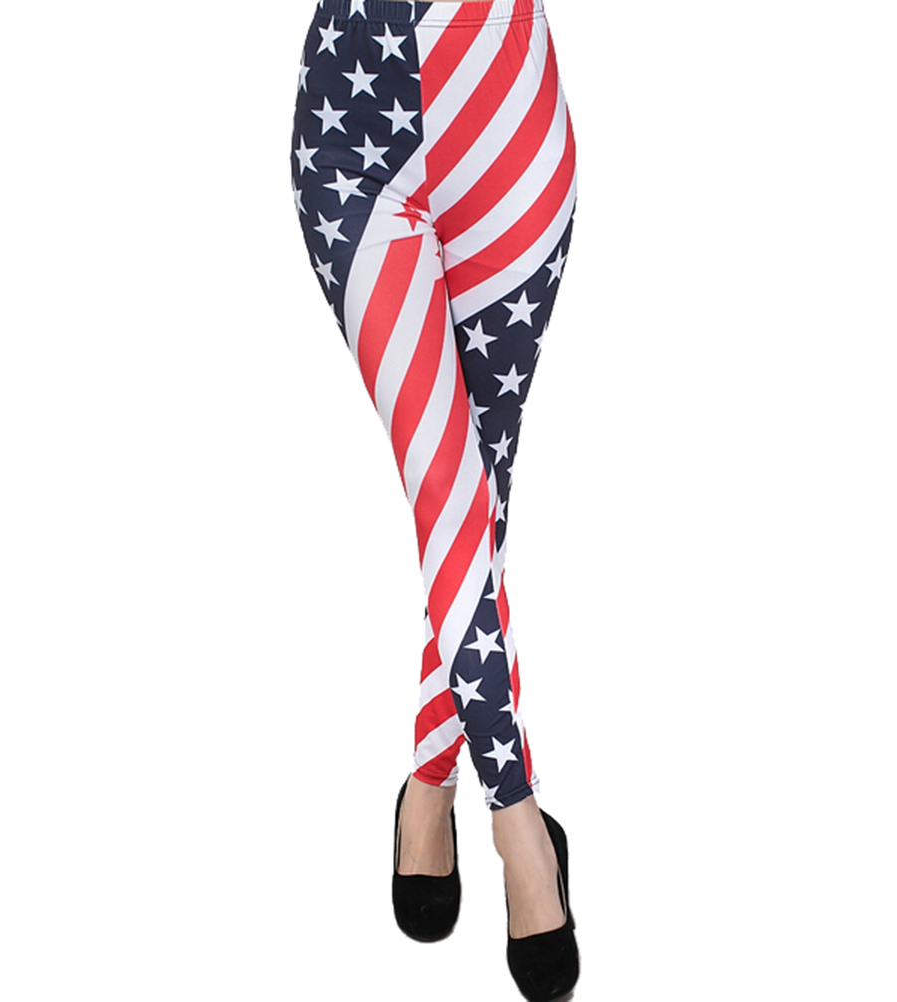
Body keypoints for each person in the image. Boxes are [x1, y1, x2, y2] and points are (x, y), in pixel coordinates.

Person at [290, 1, 579, 997]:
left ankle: (428, 780)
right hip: (356, 130)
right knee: (447, 495)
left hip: (506, 108)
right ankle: (519, 820)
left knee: (474, 500)